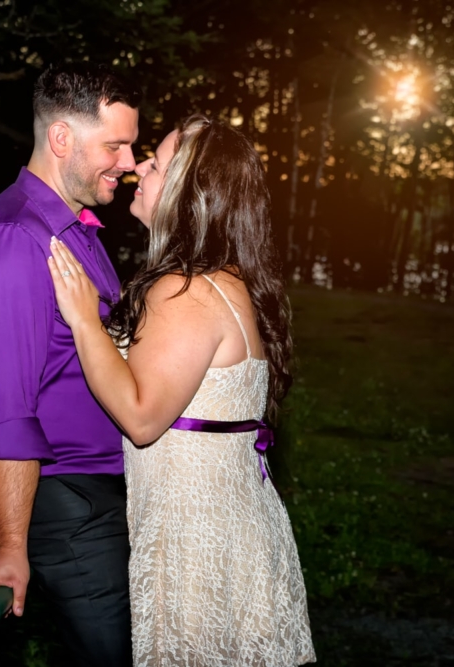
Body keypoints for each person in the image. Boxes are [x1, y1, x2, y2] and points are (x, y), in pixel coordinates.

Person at [46, 115, 316, 665]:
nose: (137, 169)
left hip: (197, 547)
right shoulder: (223, 278)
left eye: (156, 164)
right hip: (229, 535)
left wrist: (82, 322)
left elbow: (142, 418)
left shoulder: (184, 290)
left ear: (190, 194)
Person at [0, 63, 139, 666]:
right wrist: (10, 544)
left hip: (92, 494)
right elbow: (5, 411)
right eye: (115, 145)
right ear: (61, 140)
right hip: (62, 503)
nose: (129, 162)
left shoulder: (75, 230)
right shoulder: (14, 242)